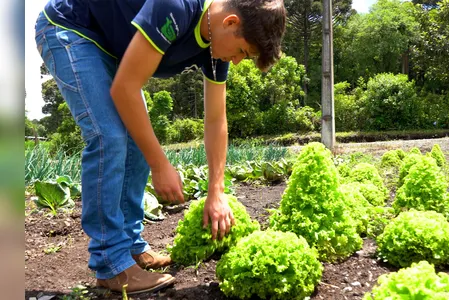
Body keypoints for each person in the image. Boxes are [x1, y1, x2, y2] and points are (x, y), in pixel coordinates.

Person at [34, 0, 286, 295]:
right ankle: (110, 264)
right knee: (110, 137)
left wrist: (216, 192)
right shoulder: (176, 7)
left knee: (139, 143)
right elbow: (125, 87)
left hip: (111, 46)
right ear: (230, 22)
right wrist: (160, 165)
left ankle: (130, 247)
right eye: (243, 51)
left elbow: (216, 120)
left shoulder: (217, 51)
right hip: (72, 29)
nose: (238, 61)